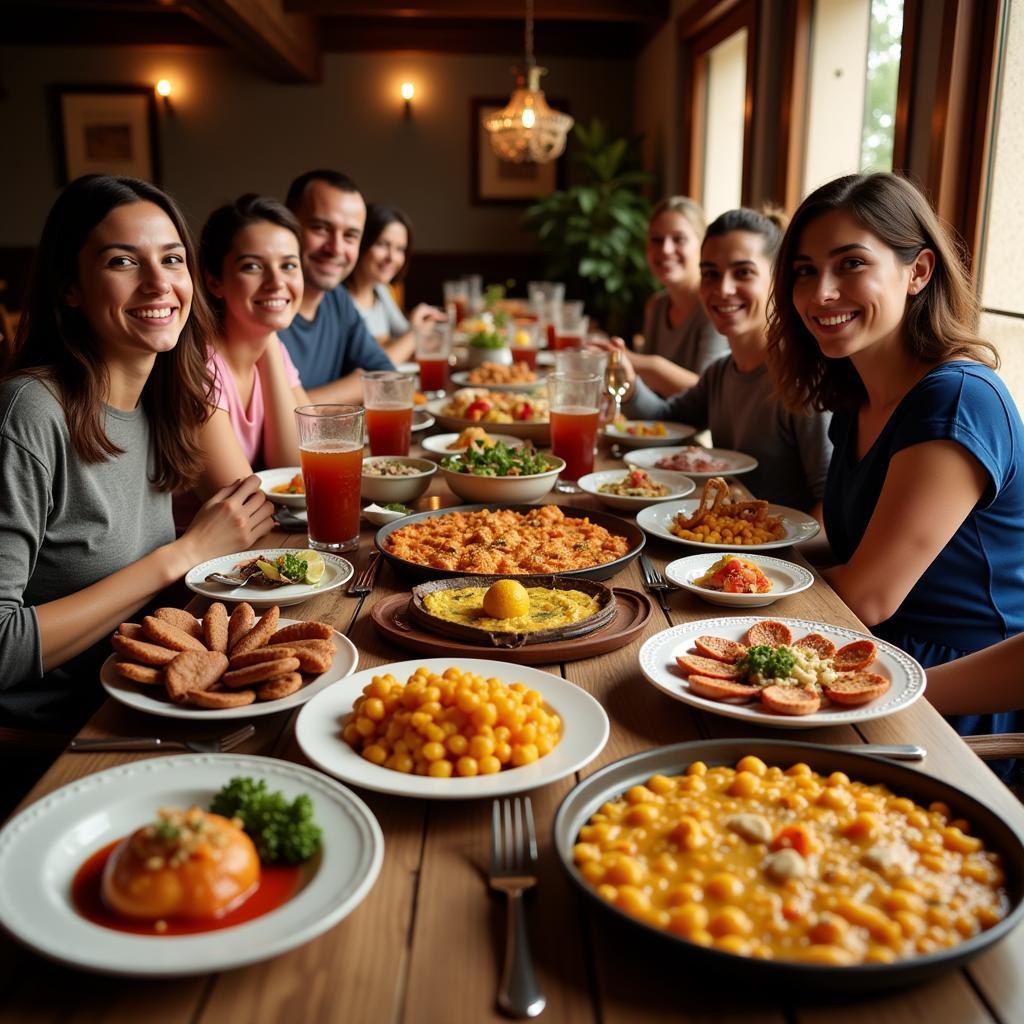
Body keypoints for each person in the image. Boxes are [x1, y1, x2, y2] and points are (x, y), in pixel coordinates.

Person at [766, 172, 1024, 769]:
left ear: (919, 272)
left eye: (850, 263)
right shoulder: (857, 400)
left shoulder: (957, 397)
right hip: (856, 652)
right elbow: (843, 543)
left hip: (943, 695)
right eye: (804, 270)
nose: (821, 292)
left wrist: (729, 597)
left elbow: (872, 593)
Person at [0, 175, 275, 728]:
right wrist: (184, 553)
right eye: (123, 262)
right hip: (61, 734)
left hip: (154, 696)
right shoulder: (28, 413)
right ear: (70, 286)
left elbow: (253, 515)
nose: (157, 283)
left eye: (172, 259)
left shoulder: (164, 399)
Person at [598, 207, 832, 513]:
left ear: (779, 280)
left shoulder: (803, 380)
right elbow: (667, 422)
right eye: (710, 274)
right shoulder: (721, 372)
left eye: (743, 272)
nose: (723, 289)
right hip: (721, 542)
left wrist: (769, 543)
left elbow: (831, 505)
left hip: (773, 555)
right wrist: (628, 386)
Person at [197, 193, 311, 477]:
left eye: (288, 265)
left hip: (269, 518)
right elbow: (240, 500)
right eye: (253, 266)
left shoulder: (270, 344)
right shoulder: (198, 364)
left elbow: (297, 461)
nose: (276, 283)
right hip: (203, 522)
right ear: (214, 282)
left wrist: (270, 341)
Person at [278, 169, 394, 401]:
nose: (336, 249)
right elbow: (267, 419)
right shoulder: (262, 305)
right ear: (289, 224)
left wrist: (306, 404)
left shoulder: (338, 299)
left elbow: (387, 379)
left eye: (350, 235)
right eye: (320, 228)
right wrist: (355, 385)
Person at [630, 196, 728, 397]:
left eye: (679, 239)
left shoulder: (715, 306)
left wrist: (627, 359)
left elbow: (708, 391)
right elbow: (646, 387)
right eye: (657, 240)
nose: (665, 250)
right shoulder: (657, 305)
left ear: (703, 246)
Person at [345, 203, 443, 364]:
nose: (392, 258)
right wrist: (416, 332)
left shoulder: (380, 290)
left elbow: (406, 341)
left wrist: (419, 322)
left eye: (400, 249)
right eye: (382, 244)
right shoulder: (339, 300)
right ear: (362, 242)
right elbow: (376, 363)